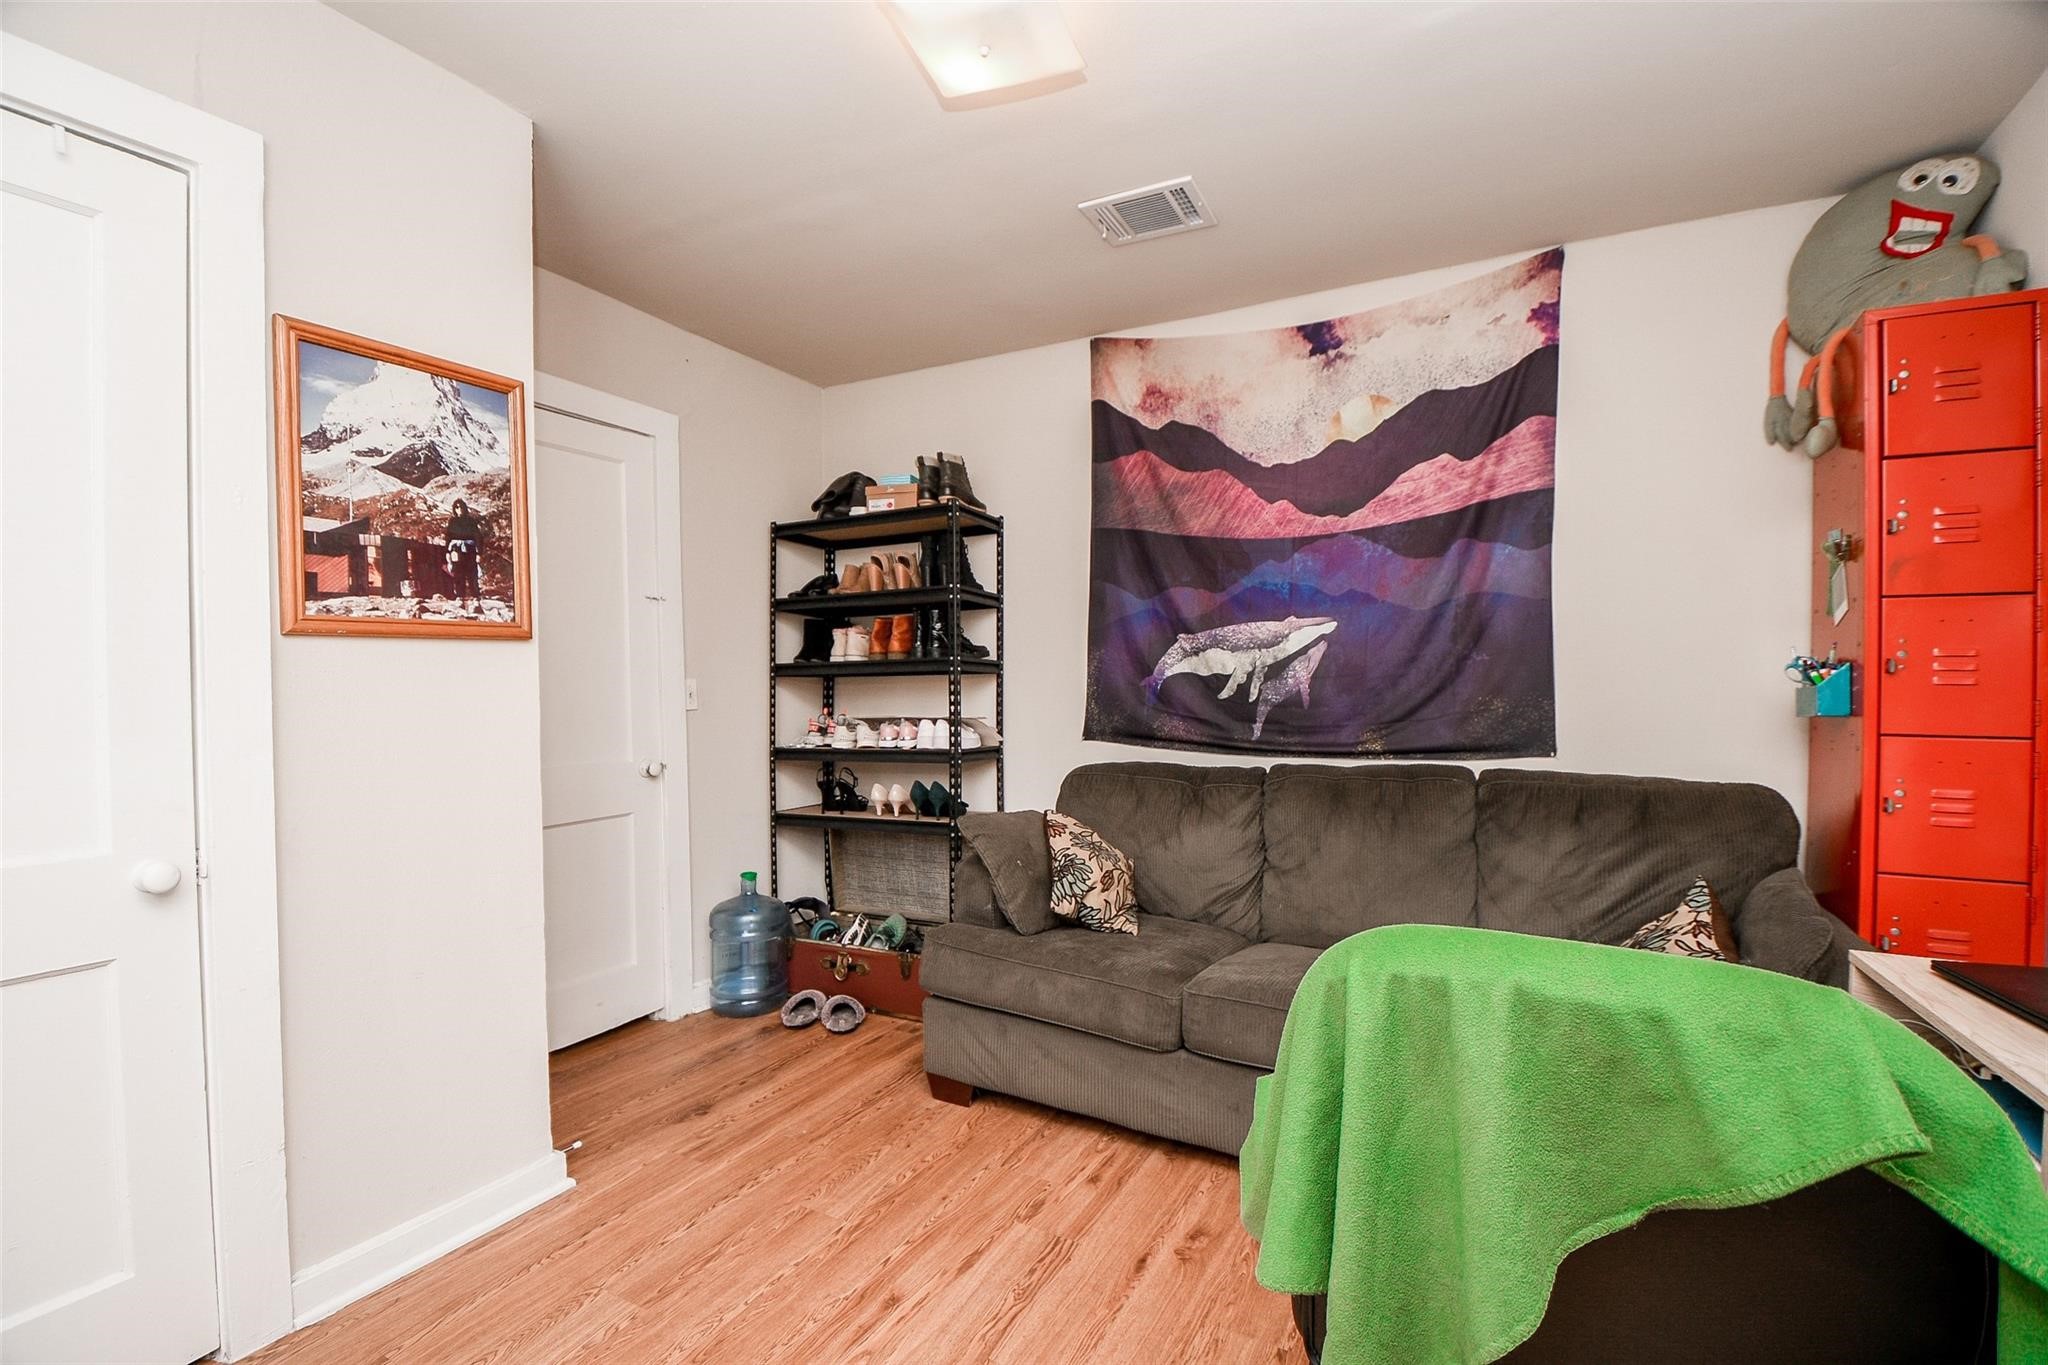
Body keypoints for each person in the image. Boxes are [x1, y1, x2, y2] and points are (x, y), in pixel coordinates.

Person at [444, 498, 484, 603]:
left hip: (470, 550)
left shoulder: (471, 521)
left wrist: (479, 553)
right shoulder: (452, 522)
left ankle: (475, 596)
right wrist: (447, 552)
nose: (459, 509)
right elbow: (448, 537)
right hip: (456, 550)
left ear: (464, 508)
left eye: (461, 507)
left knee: (472, 573)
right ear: (454, 509)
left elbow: (478, 537)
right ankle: (460, 596)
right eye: (457, 507)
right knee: (458, 573)